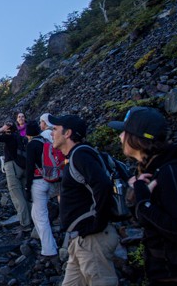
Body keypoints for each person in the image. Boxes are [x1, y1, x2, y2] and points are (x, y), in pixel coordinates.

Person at [109, 107, 177, 285]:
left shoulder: (171, 172)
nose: (120, 137)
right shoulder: (156, 171)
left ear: (137, 139)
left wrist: (143, 203)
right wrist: (137, 194)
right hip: (172, 272)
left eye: (124, 132)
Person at [49, 114, 119, 286]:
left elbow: (102, 186)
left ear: (68, 133)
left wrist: (97, 224)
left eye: (55, 129)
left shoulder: (80, 156)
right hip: (80, 240)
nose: (51, 133)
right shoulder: (76, 156)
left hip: (92, 241)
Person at [0, 121, 33, 229]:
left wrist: (2, 128)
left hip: (12, 167)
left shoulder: (9, 137)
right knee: (25, 193)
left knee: (16, 194)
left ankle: (25, 223)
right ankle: (33, 218)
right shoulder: (20, 137)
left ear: (7, 129)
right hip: (23, 167)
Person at [24, 121, 58, 258]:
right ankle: (52, 243)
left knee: (41, 216)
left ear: (27, 134)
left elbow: (30, 167)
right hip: (50, 180)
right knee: (35, 214)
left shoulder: (32, 145)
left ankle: (49, 249)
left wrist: (27, 187)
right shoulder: (45, 141)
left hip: (38, 183)